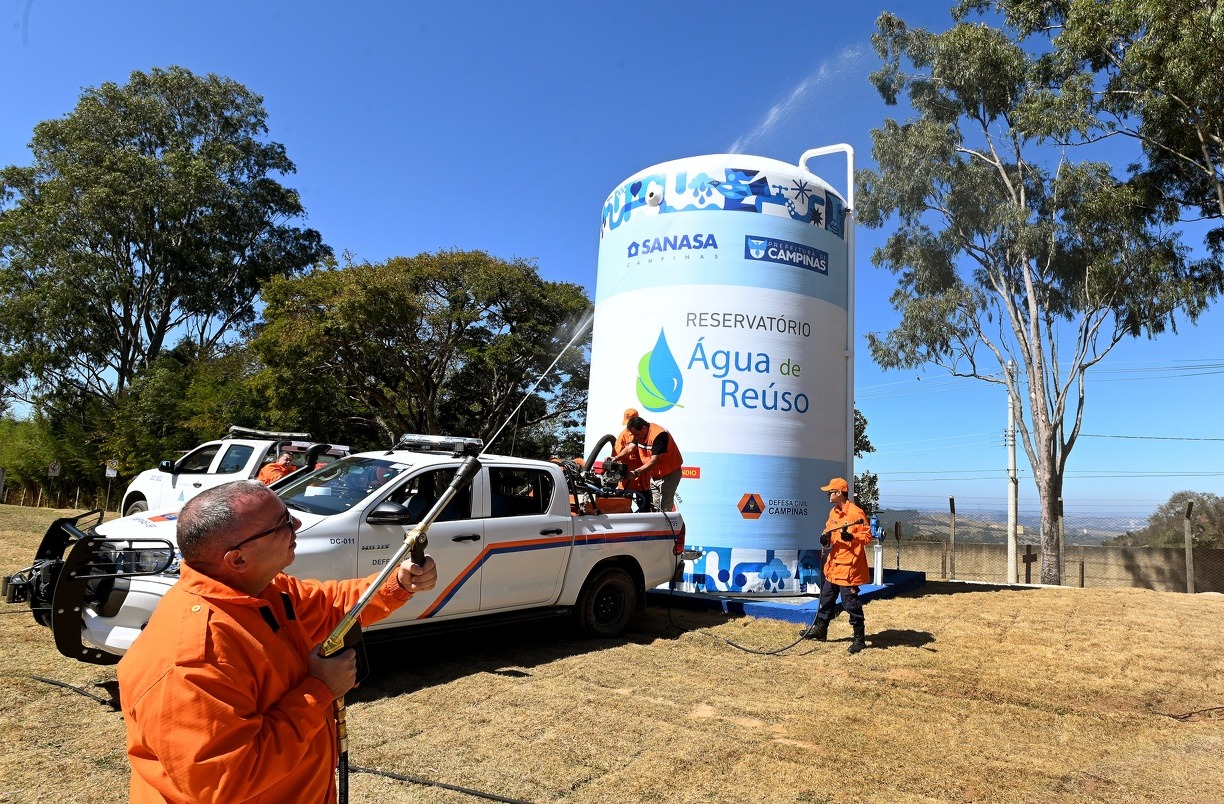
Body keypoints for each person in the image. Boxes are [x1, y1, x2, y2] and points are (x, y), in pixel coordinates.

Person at [117, 480, 437, 803]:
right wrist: (319, 689)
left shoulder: (262, 590)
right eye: (283, 522)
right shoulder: (194, 657)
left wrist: (397, 584)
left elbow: (330, 606)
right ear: (238, 560)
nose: (296, 523)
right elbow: (227, 781)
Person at [807, 477, 873, 654]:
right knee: (826, 599)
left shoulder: (856, 513)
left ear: (839, 493)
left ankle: (859, 638)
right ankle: (821, 631)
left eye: (830, 491)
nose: (828, 494)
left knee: (850, 603)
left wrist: (852, 538)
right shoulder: (834, 513)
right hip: (834, 565)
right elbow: (828, 529)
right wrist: (825, 537)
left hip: (849, 568)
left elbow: (867, 537)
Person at [614, 415, 683, 512]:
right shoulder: (640, 435)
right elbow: (630, 448)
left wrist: (636, 472)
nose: (636, 438)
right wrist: (615, 458)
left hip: (669, 475)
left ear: (644, 428)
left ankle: (666, 526)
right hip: (655, 476)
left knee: (665, 508)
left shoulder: (659, 435)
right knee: (655, 508)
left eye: (637, 434)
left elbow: (654, 461)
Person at [613, 407, 649, 494]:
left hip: (642, 480)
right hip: (627, 481)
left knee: (645, 505)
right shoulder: (622, 436)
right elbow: (616, 455)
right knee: (623, 506)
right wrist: (614, 459)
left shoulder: (645, 433)